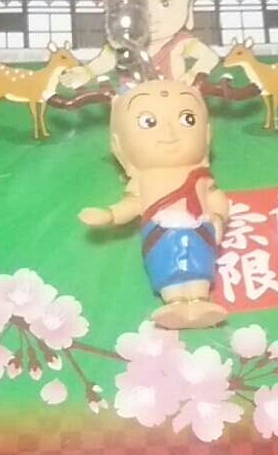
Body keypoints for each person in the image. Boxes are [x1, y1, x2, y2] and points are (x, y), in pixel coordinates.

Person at [79, 79, 229, 329]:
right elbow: (131, 204)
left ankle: (200, 301)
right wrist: (109, 215)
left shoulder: (200, 176)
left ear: (206, 134)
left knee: (199, 266)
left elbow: (216, 198)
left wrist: (219, 217)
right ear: (119, 145)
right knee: (167, 267)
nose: (169, 133)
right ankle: (175, 304)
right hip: (160, 232)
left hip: (198, 228)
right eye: (149, 122)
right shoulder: (144, 179)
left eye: (188, 119)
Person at [61, 0, 219, 87]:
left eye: (165, 2)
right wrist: (87, 72)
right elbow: (105, 61)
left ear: (188, 4)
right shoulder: (123, 46)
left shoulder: (181, 43)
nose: (150, 15)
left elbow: (209, 57)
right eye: (136, 5)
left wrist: (194, 73)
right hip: (133, 101)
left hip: (171, 99)